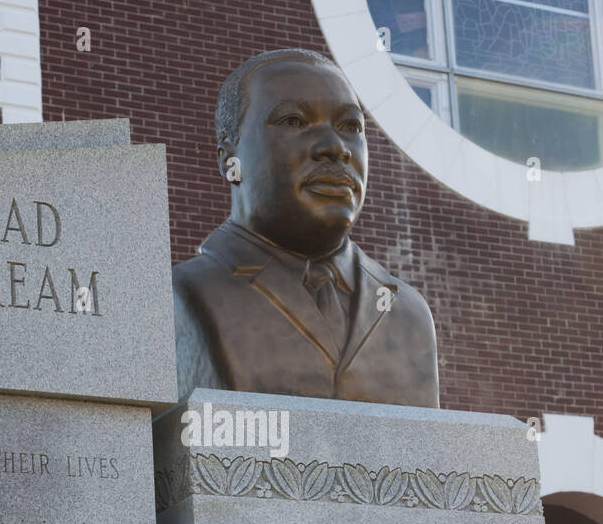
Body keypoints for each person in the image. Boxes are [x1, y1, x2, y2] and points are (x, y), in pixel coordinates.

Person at [172, 47, 439, 406]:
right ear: (229, 159)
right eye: (294, 121)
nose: (335, 148)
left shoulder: (408, 312)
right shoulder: (179, 296)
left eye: (350, 127)